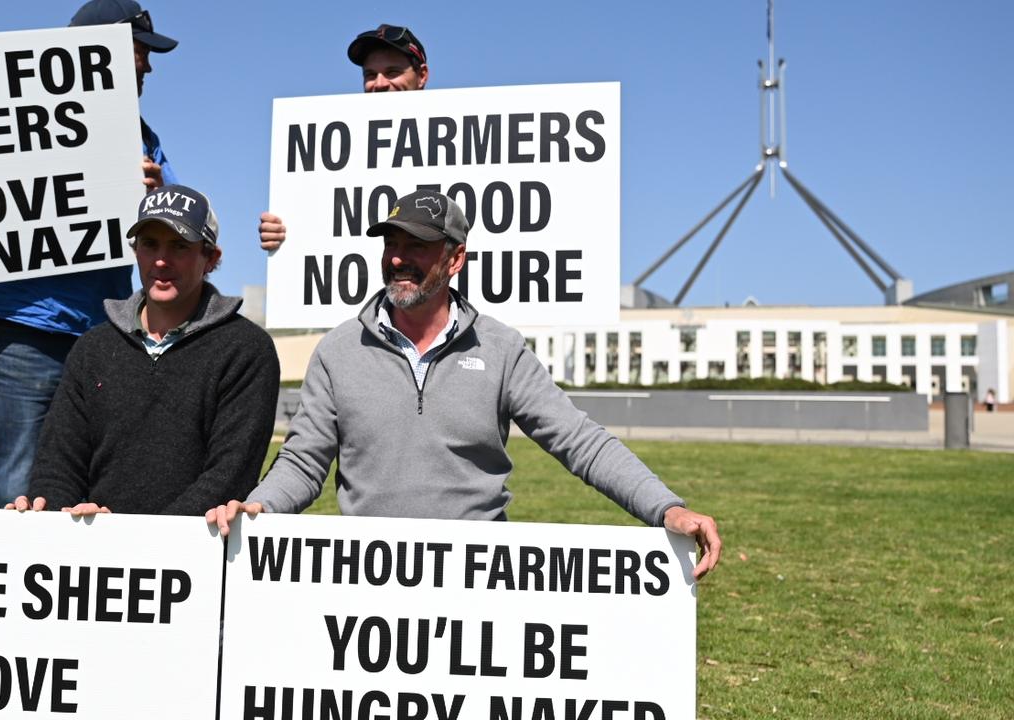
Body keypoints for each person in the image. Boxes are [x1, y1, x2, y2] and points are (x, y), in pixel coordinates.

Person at [210, 191, 722, 579]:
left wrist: (667, 508)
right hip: (366, 580)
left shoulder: (500, 349)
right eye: (392, 244)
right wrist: (262, 505)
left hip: (476, 582)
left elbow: (579, 440)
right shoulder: (338, 351)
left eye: (418, 246)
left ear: (455, 260)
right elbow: (303, 461)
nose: (397, 257)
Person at [0, 0, 181, 508]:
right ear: (94, 52)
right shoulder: (4, 120)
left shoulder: (143, 141)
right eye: (138, 52)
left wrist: (153, 201)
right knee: (11, 486)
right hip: (22, 330)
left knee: (86, 489)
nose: (148, 66)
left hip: (101, 336)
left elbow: (185, 226)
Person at [9, 185, 279, 516]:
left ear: (211, 258)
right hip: (91, 552)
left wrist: (139, 547)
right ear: (136, 252)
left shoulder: (246, 349)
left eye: (179, 246)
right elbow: (57, 464)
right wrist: (63, 518)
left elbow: (229, 476)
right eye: (150, 244)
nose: (161, 261)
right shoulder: (92, 348)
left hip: (191, 555)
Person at [258, 24, 429, 252]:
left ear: (422, 76)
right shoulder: (337, 149)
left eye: (392, 72)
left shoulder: (459, 139)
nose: (379, 84)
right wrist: (283, 231)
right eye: (370, 74)